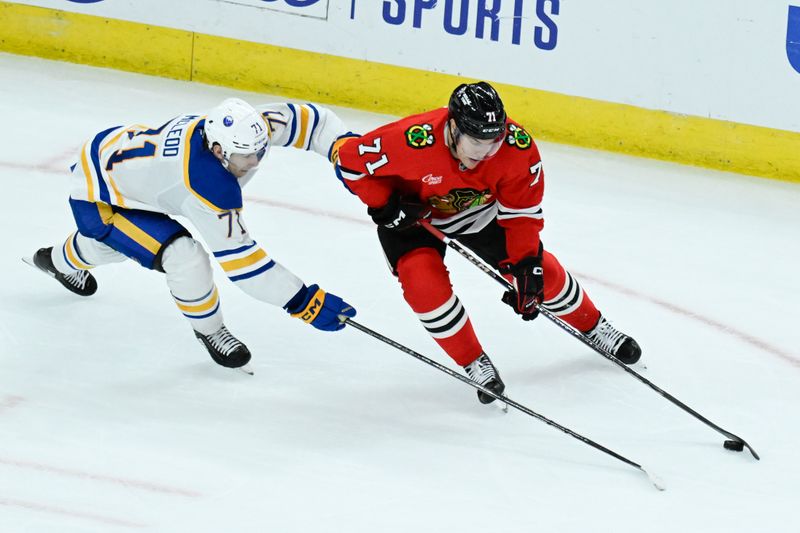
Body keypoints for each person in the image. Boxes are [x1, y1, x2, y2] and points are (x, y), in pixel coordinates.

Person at [332, 81, 640, 404]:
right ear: (453, 128)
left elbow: (522, 215)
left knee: (541, 274)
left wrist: (525, 265)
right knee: (424, 286)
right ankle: (473, 361)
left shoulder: (516, 148)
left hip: (477, 215)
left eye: (493, 142)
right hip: (412, 220)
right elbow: (349, 161)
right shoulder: (412, 139)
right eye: (476, 143)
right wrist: (385, 204)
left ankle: (597, 327)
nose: (486, 153)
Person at [27, 97, 356, 372]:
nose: (255, 161)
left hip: (121, 161)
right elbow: (245, 266)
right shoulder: (206, 185)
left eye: (260, 152)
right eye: (245, 157)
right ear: (216, 150)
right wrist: (302, 300)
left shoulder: (242, 131)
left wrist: (342, 147)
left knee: (120, 246)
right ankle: (211, 331)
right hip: (100, 196)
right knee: (184, 257)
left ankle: (56, 261)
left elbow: (312, 122)